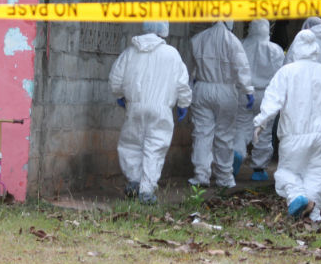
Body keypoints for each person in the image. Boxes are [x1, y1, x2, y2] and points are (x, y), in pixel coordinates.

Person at [253, 29, 321, 221]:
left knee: (288, 172)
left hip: (293, 136)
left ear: (295, 49)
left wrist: (260, 123)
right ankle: (313, 214)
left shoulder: (286, 73)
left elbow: (273, 100)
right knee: (318, 176)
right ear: (316, 50)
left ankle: (297, 197)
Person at [109, 21, 192, 204]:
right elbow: (182, 84)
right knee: (155, 147)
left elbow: (116, 77)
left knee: (131, 144)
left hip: (135, 106)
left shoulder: (130, 52)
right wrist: (183, 104)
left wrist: (120, 95)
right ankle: (146, 190)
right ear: (164, 29)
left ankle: (134, 181)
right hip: (161, 109)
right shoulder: (172, 54)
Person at [188, 21, 254, 189]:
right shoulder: (232, 41)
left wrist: (189, 88)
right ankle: (224, 176)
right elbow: (242, 67)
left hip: (202, 88)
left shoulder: (198, 39)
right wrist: (248, 90)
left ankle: (201, 175)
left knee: (202, 133)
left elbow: (191, 68)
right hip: (226, 90)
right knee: (225, 134)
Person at [232, 19, 284, 181]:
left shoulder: (240, 45)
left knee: (241, 127)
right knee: (264, 131)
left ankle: (237, 152)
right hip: (267, 95)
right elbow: (281, 75)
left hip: (244, 93)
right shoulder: (275, 50)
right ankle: (259, 169)